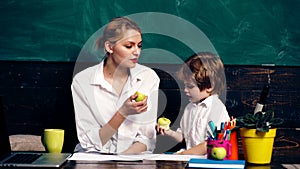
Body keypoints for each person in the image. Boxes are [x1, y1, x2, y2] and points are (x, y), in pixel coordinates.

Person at [71, 17, 160, 154]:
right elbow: (90, 143)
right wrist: (122, 112)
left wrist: (120, 161)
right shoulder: (82, 81)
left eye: (139, 45)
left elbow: (146, 139)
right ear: (109, 47)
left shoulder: (148, 77)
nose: (136, 52)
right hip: (94, 158)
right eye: (129, 46)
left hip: (133, 158)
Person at [156, 52, 229, 155]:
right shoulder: (190, 107)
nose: (185, 90)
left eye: (190, 87)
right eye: (184, 86)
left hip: (207, 161)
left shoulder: (216, 108)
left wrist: (182, 155)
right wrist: (169, 132)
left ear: (210, 86)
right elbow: (184, 137)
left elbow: (210, 144)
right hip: (188, 159)